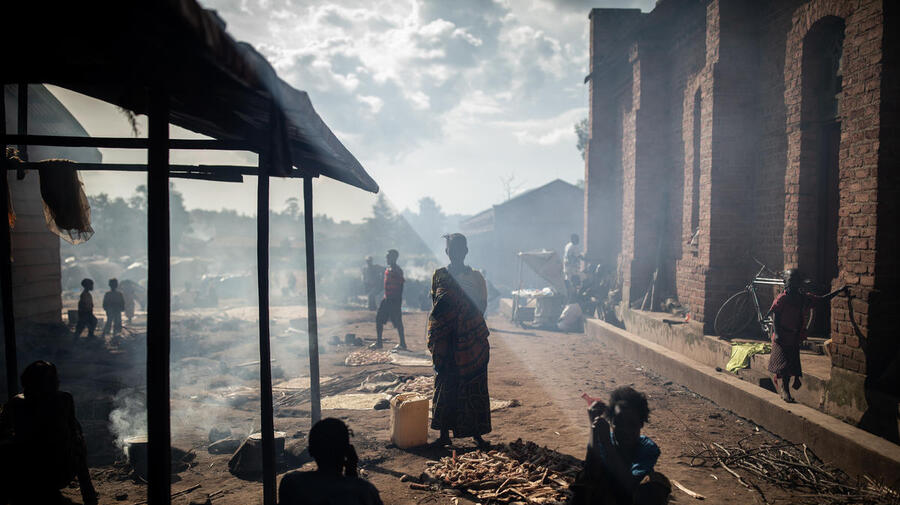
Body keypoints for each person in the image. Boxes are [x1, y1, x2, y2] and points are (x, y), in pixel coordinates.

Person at [0, 361, 98, 505]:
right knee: (77, 443)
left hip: (40, 468)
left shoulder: (17, 403)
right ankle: (88, 496)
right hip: (53, 468)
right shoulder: (63, 399)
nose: (58, 382)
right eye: (52, 379)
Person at [428, 233, 491, 448]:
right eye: (451, 249)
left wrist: (464, 322)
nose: (454, 253)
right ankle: (444, 435)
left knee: (474, 385)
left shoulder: (476, 277)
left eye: (458, 249)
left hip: (471, 342)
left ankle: (476, 434)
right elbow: (436, 307)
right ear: (447, 252)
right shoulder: (439, 276)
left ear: (465, 251)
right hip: (446, 341)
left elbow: (481, 306)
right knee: (446, 384)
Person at [569, 387, 670, 505]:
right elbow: (590, 470)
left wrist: (607, 444)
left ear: (641, 423)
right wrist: (593, 426)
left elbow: (629, 484)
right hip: (605, 497)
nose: (625, 430)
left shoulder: (647, 448)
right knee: (585, 477)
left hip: (629, 498)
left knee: (655, 484)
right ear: (611, 422)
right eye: (619, 423)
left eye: (632, 424)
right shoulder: (605, 439)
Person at [766, 269, 848, 403]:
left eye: (797, 280)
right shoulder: (783, 299)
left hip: (794, 337)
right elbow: (776, 316)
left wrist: (838, 291)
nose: (795, 283)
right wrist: (778, 334)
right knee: (784, 365)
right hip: (781, 336)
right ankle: (785, 389)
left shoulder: (804, 298)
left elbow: (821, 300)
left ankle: (785, 389)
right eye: (791, 280)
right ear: (785, 282)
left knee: (792, 364)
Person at [279, 418, 383, 505]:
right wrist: (351, 470)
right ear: (348, 451)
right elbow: (352, 490)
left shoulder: (293, 484)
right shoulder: (365, 492)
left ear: (310, 451)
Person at [372, 250, 406, 350]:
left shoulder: (397, 270)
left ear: (393, 258)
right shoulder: (388, 269)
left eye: (388, 257)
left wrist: (397, 301)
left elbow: (401, 286)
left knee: (398, 322)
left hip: (394, 299)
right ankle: (379, 343)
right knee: (379, 319)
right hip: (386, 298)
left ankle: (403, 344)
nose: (386, 259)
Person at [565, 234, 583, 302]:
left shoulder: (568, 245)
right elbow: (579, 256)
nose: (578, 240)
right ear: (573, 239)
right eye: (577, 239)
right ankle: (573, 299)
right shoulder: (574, 247)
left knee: (569, 284)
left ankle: (569, 298)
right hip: (572, 269)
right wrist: (588, 259)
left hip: (567, 268)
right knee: (574, 284)